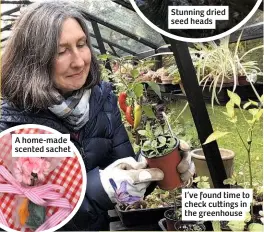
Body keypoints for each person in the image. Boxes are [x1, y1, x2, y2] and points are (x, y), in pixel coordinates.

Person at [0, 1, 194, 231]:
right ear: (33, 61)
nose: (79, 61)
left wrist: (157, 160)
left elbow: (124, 176)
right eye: (61, 51)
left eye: (81, 45)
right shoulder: (12, 124)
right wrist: (98, 189)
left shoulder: (101, 98)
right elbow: (20, 219)